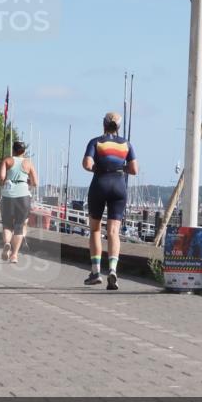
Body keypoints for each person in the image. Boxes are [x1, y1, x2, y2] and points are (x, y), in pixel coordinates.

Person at [81, 111, 138, 290]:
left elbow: (87, 164)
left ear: (103, 124)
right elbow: (134, 169)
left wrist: (100, 168)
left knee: (95, 229)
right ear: (119, 126)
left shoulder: (96, 142)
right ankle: (112, 269)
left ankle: (96, 271)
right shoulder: (127, 144)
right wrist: (119, 167)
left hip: (100, 183)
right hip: (119, 186)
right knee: (113, 231)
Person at [0, 141, 38, 263]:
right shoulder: (28, 163)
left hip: (8, 195)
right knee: (19, 226)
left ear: (13, 150)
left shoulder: (7, 161)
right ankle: (14, 255)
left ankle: (6, 244)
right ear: (24, 151)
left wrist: (4, 179)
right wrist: (27, 183)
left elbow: (1, 177)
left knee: (7, 225)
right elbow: (35, 183)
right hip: (23, 195)